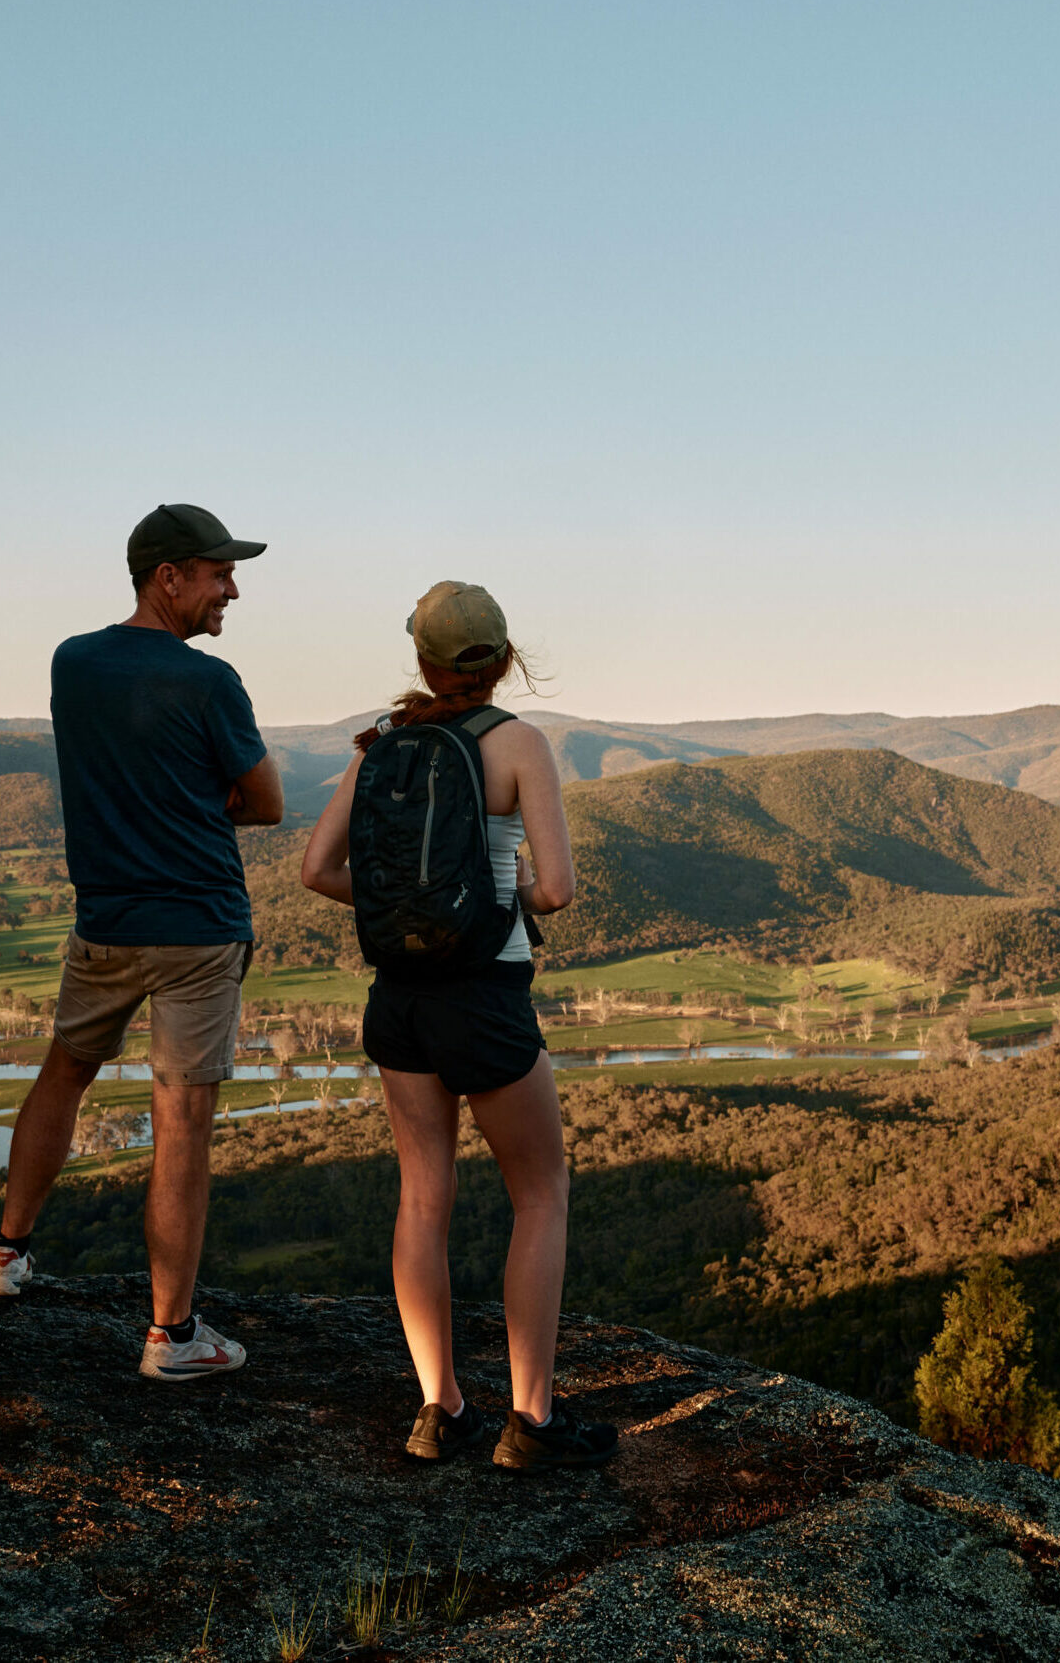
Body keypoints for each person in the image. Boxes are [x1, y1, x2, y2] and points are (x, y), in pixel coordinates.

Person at [300, 581, 616, 1470]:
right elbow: (553, 889)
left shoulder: (381, 747)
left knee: (423, 1197)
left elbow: (317, 869)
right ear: (505, 658)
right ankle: (531, 1423)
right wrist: (474, 903)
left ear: (426, 663)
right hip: (482, 993)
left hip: (397, 994)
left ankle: (438, 1411)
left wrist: (415, 905)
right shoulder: (518, 744)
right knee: (540, 1193)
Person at [0, 503, 284, 1382]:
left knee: (63, 1071)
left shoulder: (71, 662)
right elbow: (263, 803)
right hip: (196, 928)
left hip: (104, 922)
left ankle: (6, 1256)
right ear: (169, 577)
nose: (232, 588)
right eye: (219, 572)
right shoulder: (211, 681)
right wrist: (202, 798)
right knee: (181, 1120)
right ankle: (171, 1336)